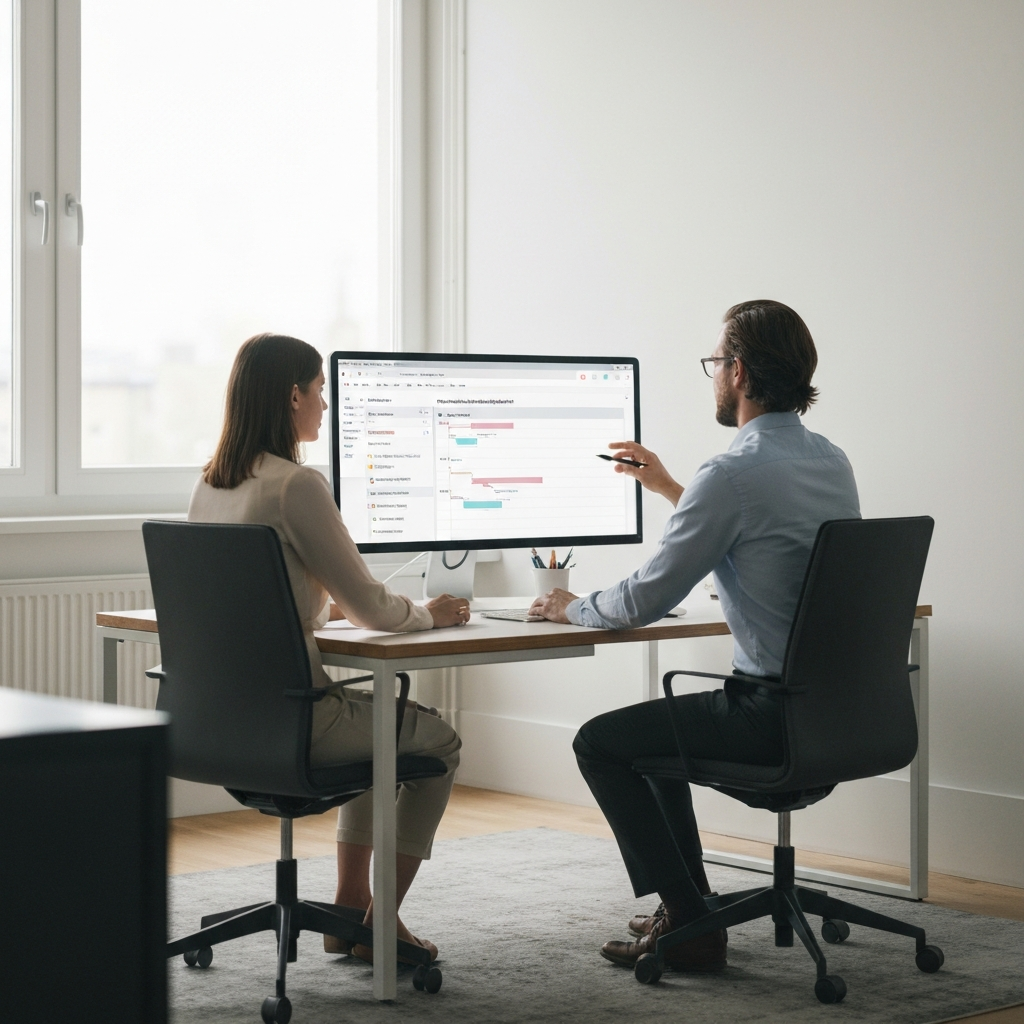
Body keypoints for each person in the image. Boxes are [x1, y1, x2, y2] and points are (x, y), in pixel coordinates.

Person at [529, 300, 860, 972]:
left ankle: (690, 919)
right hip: (838, 718)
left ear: (737, 371)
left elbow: (644, 598)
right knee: (655, 735)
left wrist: (570, 607)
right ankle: (691, 906)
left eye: (715, 362)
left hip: (766, 721)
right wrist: (673, 488)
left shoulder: (731, 473)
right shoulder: (831, 462)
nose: (714, 375)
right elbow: (765, 542)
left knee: (602, 743)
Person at [189, 332, 469, 965]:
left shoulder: (210, 487)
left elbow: (265, 599)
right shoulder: (297, 485)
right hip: (296, 724)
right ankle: (382, 921)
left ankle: (346, 915)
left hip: (220, 727)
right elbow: (375, 608)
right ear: (294, 396)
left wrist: (324, 606)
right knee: (438, 743)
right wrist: (431, 613)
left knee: (382, 731)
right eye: (320, 391)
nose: (324, 405)